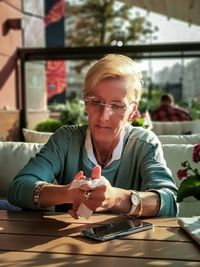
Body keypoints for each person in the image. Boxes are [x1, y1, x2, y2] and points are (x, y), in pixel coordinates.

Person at [7, 54, 178, 218]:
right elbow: (18, 188)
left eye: (117, 105)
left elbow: (170, 202)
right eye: (96, 102)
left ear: (133, 110)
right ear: (86, 102)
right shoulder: (65, 139)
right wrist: (68, 193)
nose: (104, 115)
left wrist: (116, 199)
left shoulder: (144, 144)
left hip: (127, 244)